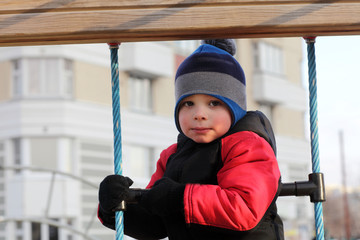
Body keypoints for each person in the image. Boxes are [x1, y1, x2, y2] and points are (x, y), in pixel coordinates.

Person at [98, 39, 284, 240]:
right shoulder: (172, 155)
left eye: (213, 103)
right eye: (188, 103)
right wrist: (116, 208)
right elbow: (156, 220)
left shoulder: (248, 145)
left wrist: (178, 198)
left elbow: (245, 208)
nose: (199, 114)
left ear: (235, 109)